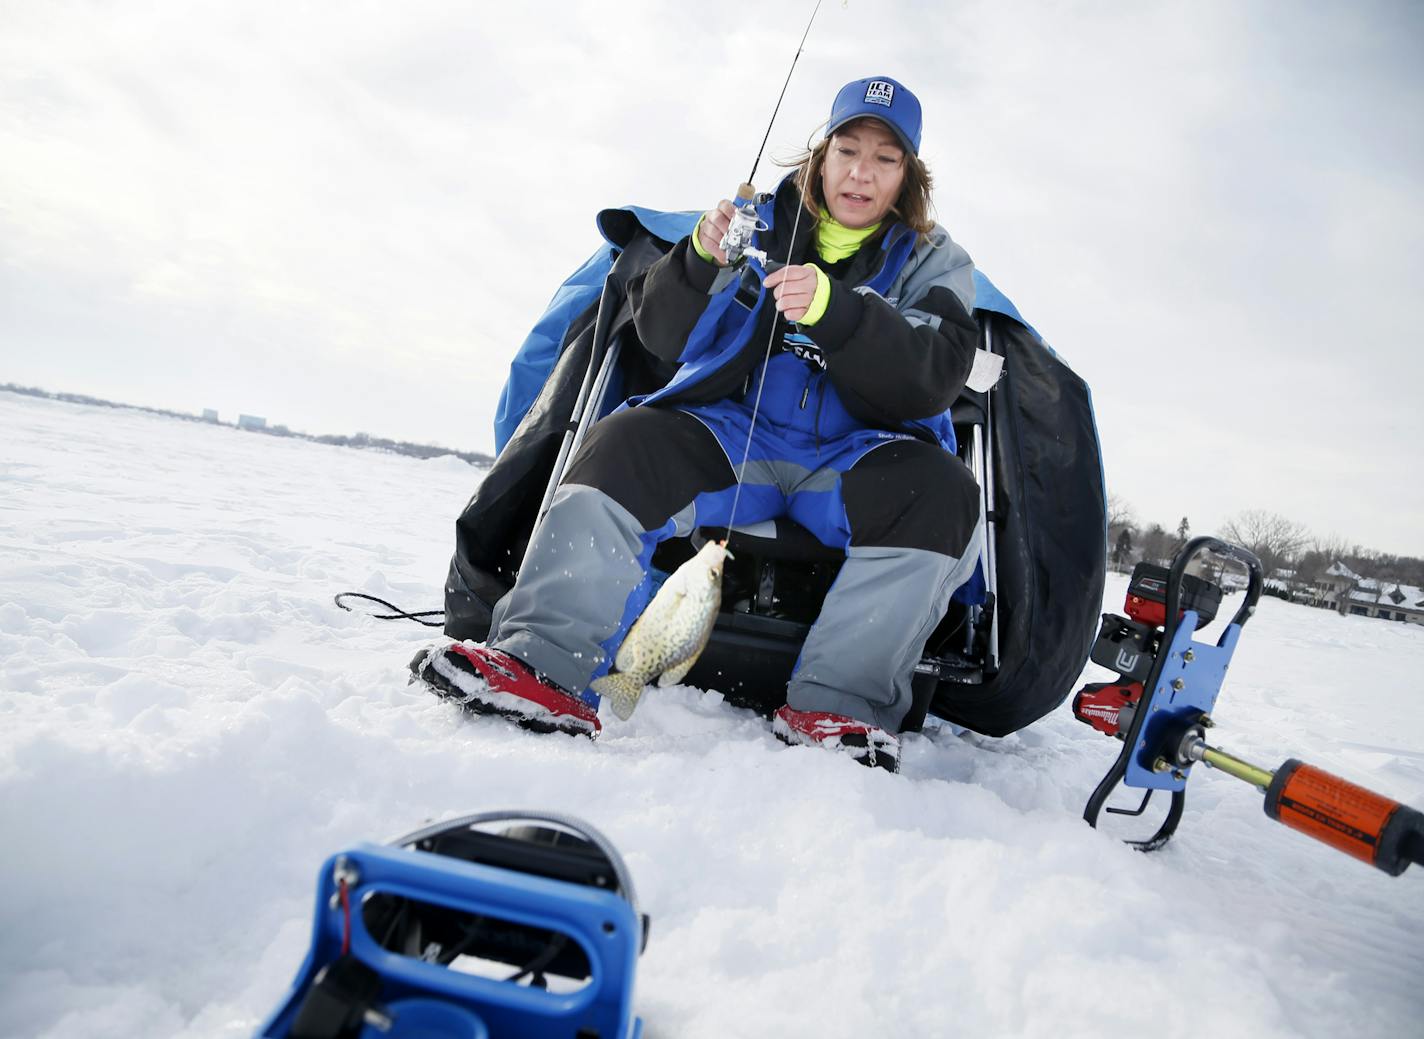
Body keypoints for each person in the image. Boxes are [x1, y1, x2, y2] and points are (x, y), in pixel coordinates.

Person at [415, 76, 984, 772]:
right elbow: (660, 336)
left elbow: (933, 371)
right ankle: (541, 665)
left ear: (908, 178)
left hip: (854, 458)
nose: (861, 172)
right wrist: (696, 260)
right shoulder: (755, 224)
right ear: (820, 156)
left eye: (885, 159)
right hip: (731, 437)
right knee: (624, 441)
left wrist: (839, 311)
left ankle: (838, 705)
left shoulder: (937, 261)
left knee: (945, 494)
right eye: (847, 149)